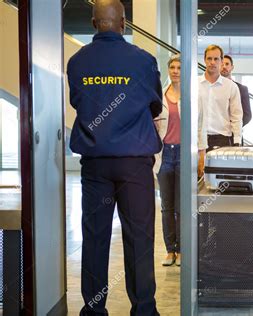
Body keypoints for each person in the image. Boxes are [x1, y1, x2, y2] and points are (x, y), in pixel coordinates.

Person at [67, 1, 162, 314]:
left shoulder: (77, 62)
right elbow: (155, 105)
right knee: (140, 239)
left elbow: (80, 102)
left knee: (95, 240)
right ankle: (144, 309)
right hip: (134, 163)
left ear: (94, 23)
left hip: (95, 165)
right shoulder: (144, 61)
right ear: (124, 23)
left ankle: (94, 310)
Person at [154, 54, 207, 267]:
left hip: (185, 154)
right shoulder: (160, 96)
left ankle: (183, 249)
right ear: (168, 70)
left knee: (182, 207)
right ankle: (170, 250)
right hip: (165, 154)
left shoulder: (193, 97)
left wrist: (201, 155)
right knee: (166, 206)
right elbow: (153, 125)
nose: (176, 71)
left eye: (179, 68)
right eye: (172, 67)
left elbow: (200, 127)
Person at [199, 44, 243, 151]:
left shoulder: (231, 86)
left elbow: (236, 116)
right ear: (204, 60)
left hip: (222, 140)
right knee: (196, 168)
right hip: (197, 138)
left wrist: (237, 142)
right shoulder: (194, 84)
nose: (212, 62)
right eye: (209, 58)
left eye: (216, 59)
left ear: (221, 61)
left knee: (219, 169)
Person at [221, 54, 252, 127]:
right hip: (216, 134)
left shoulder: (242, 89)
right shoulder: (212, 88)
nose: (224, 66)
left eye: (227, 64)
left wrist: (233, 127)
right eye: (222, 64)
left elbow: (247, 116)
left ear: (232, 67)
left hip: (234, 134)